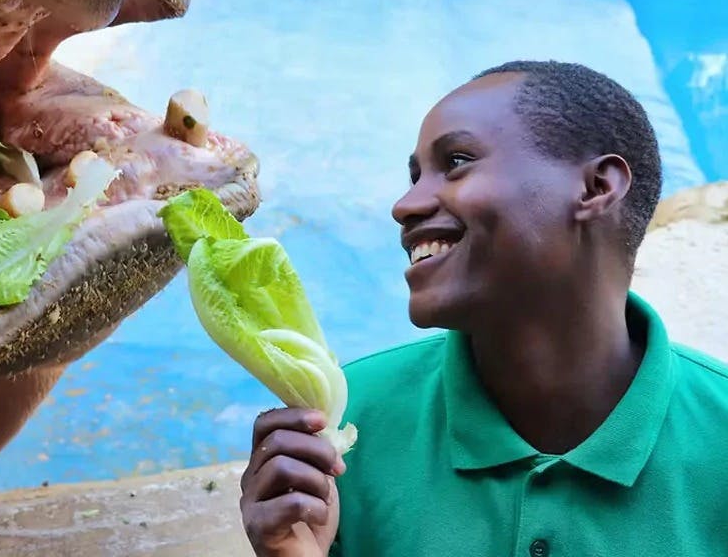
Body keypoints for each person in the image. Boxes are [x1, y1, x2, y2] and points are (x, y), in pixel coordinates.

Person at [238, 61, 728, 556]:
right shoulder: (344, 427)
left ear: (597, 188)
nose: (404, 205)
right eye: (414, 176)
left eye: (455, 162)